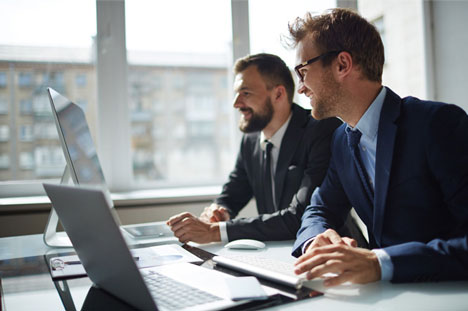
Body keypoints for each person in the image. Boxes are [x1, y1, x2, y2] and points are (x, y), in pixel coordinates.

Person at [287, 8, 468, 286]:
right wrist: (317, 239)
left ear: (342, 64)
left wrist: (381, 262)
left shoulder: (437, 124)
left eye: (303, 71)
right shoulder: (342, 140)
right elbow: (319, 209)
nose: (300, 88)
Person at [167, 53, 342, 244]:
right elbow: (234, 191)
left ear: (278, 94)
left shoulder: (321, 130)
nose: (236, 103)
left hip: (328, 253)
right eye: (236, 93)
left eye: (246, 93)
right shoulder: (250, 140)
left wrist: (214, 232)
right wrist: (220, 210)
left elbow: (300, 217)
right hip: (273, 252)